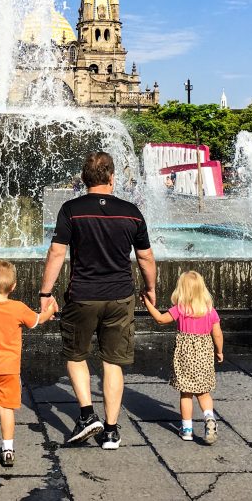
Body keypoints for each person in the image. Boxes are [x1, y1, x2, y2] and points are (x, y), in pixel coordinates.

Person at [39, 151, 157, 450]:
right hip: (120, 295)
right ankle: (112, 431)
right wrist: (151, 287)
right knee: (113, 362)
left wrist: (45, 293)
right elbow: (144, 256)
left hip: (83, 295)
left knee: (76, 356)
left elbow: (56, 252)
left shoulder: (71, 209)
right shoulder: (131, 212)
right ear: (112, 177)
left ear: (83, 178)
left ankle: (87, 414)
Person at [0, 259, 56, 467]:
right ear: (14, 286)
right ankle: (7, 449)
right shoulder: (18, 308)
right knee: (6, 408)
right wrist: (51, 310)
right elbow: (38, 320)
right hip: (9, 369)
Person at [142, 270, 224, 443]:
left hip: (185, 357)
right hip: (204, 356)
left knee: (186, 394)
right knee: (203, 393)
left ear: (181, 290)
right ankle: (209, 418)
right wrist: (219, 351)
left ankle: (187, 429)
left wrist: (147, 303)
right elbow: (217, 334)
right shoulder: (210, 310)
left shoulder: (181, 309)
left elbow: (160, 319)